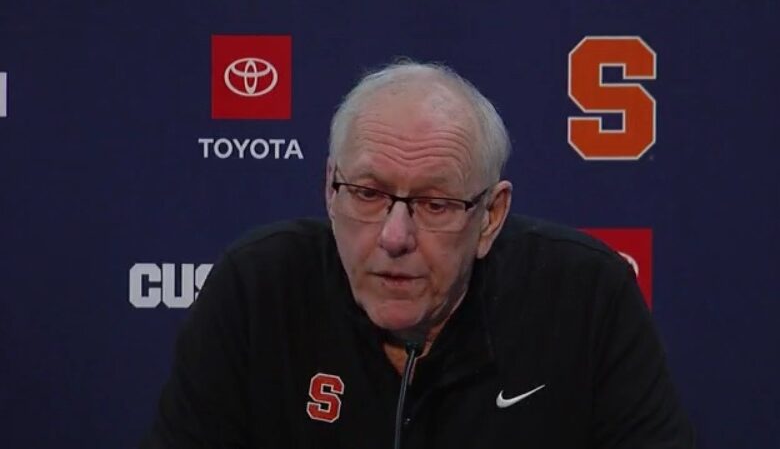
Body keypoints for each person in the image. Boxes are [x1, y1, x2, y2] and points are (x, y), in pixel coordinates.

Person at [140, 61, 695, 448]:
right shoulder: (256, 289)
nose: (394, 236)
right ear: (330, 189)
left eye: (435, 204)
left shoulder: (586, 297)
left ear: (490, 216)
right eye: (368, 193)